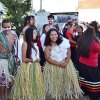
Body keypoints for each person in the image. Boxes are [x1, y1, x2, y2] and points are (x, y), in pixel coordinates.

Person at [43, 28, 82, 100]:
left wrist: (66, 62)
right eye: (52, 35)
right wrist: (59, 64)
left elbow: (69, 51)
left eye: (55, 34)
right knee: (59, 85)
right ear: (48, 36)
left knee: (70, 82)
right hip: (55, 67)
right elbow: (48, 58)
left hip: (67, 65)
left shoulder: (63, 42)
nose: (54, 36)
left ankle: (73, 97)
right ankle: (61, 97)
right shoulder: (47, 47)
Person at [12, 27, 45, 100]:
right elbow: (24, 59)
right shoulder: (25, 43)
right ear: (29, 34)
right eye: (33, 33)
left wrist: (38, 60)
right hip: (28, 68)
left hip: (35, 67)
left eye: (35, 33)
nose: (35, 34)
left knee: (35, 87)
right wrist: (34, 60)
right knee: (28, 87)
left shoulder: (34, 43)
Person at [77, 26, 100, 100]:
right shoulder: (94, 42)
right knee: (93, 80)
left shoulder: (81, 39)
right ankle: (94, 96)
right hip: (92, 65)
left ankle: (85, 91)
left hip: (81, 63)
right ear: (93, 33)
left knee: (84, 78)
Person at [0, 19, 17, 100]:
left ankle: (9, 96)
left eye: (8, 27)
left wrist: (16, 59)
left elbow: (16, 49)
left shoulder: (14, 35)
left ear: (11, 26)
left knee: (11, 80)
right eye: (5, 27)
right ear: (2, 27)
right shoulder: (0, 36)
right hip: (2, 60)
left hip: (11, 60)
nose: (7, 29)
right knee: (2, 80)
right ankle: (3, 98)